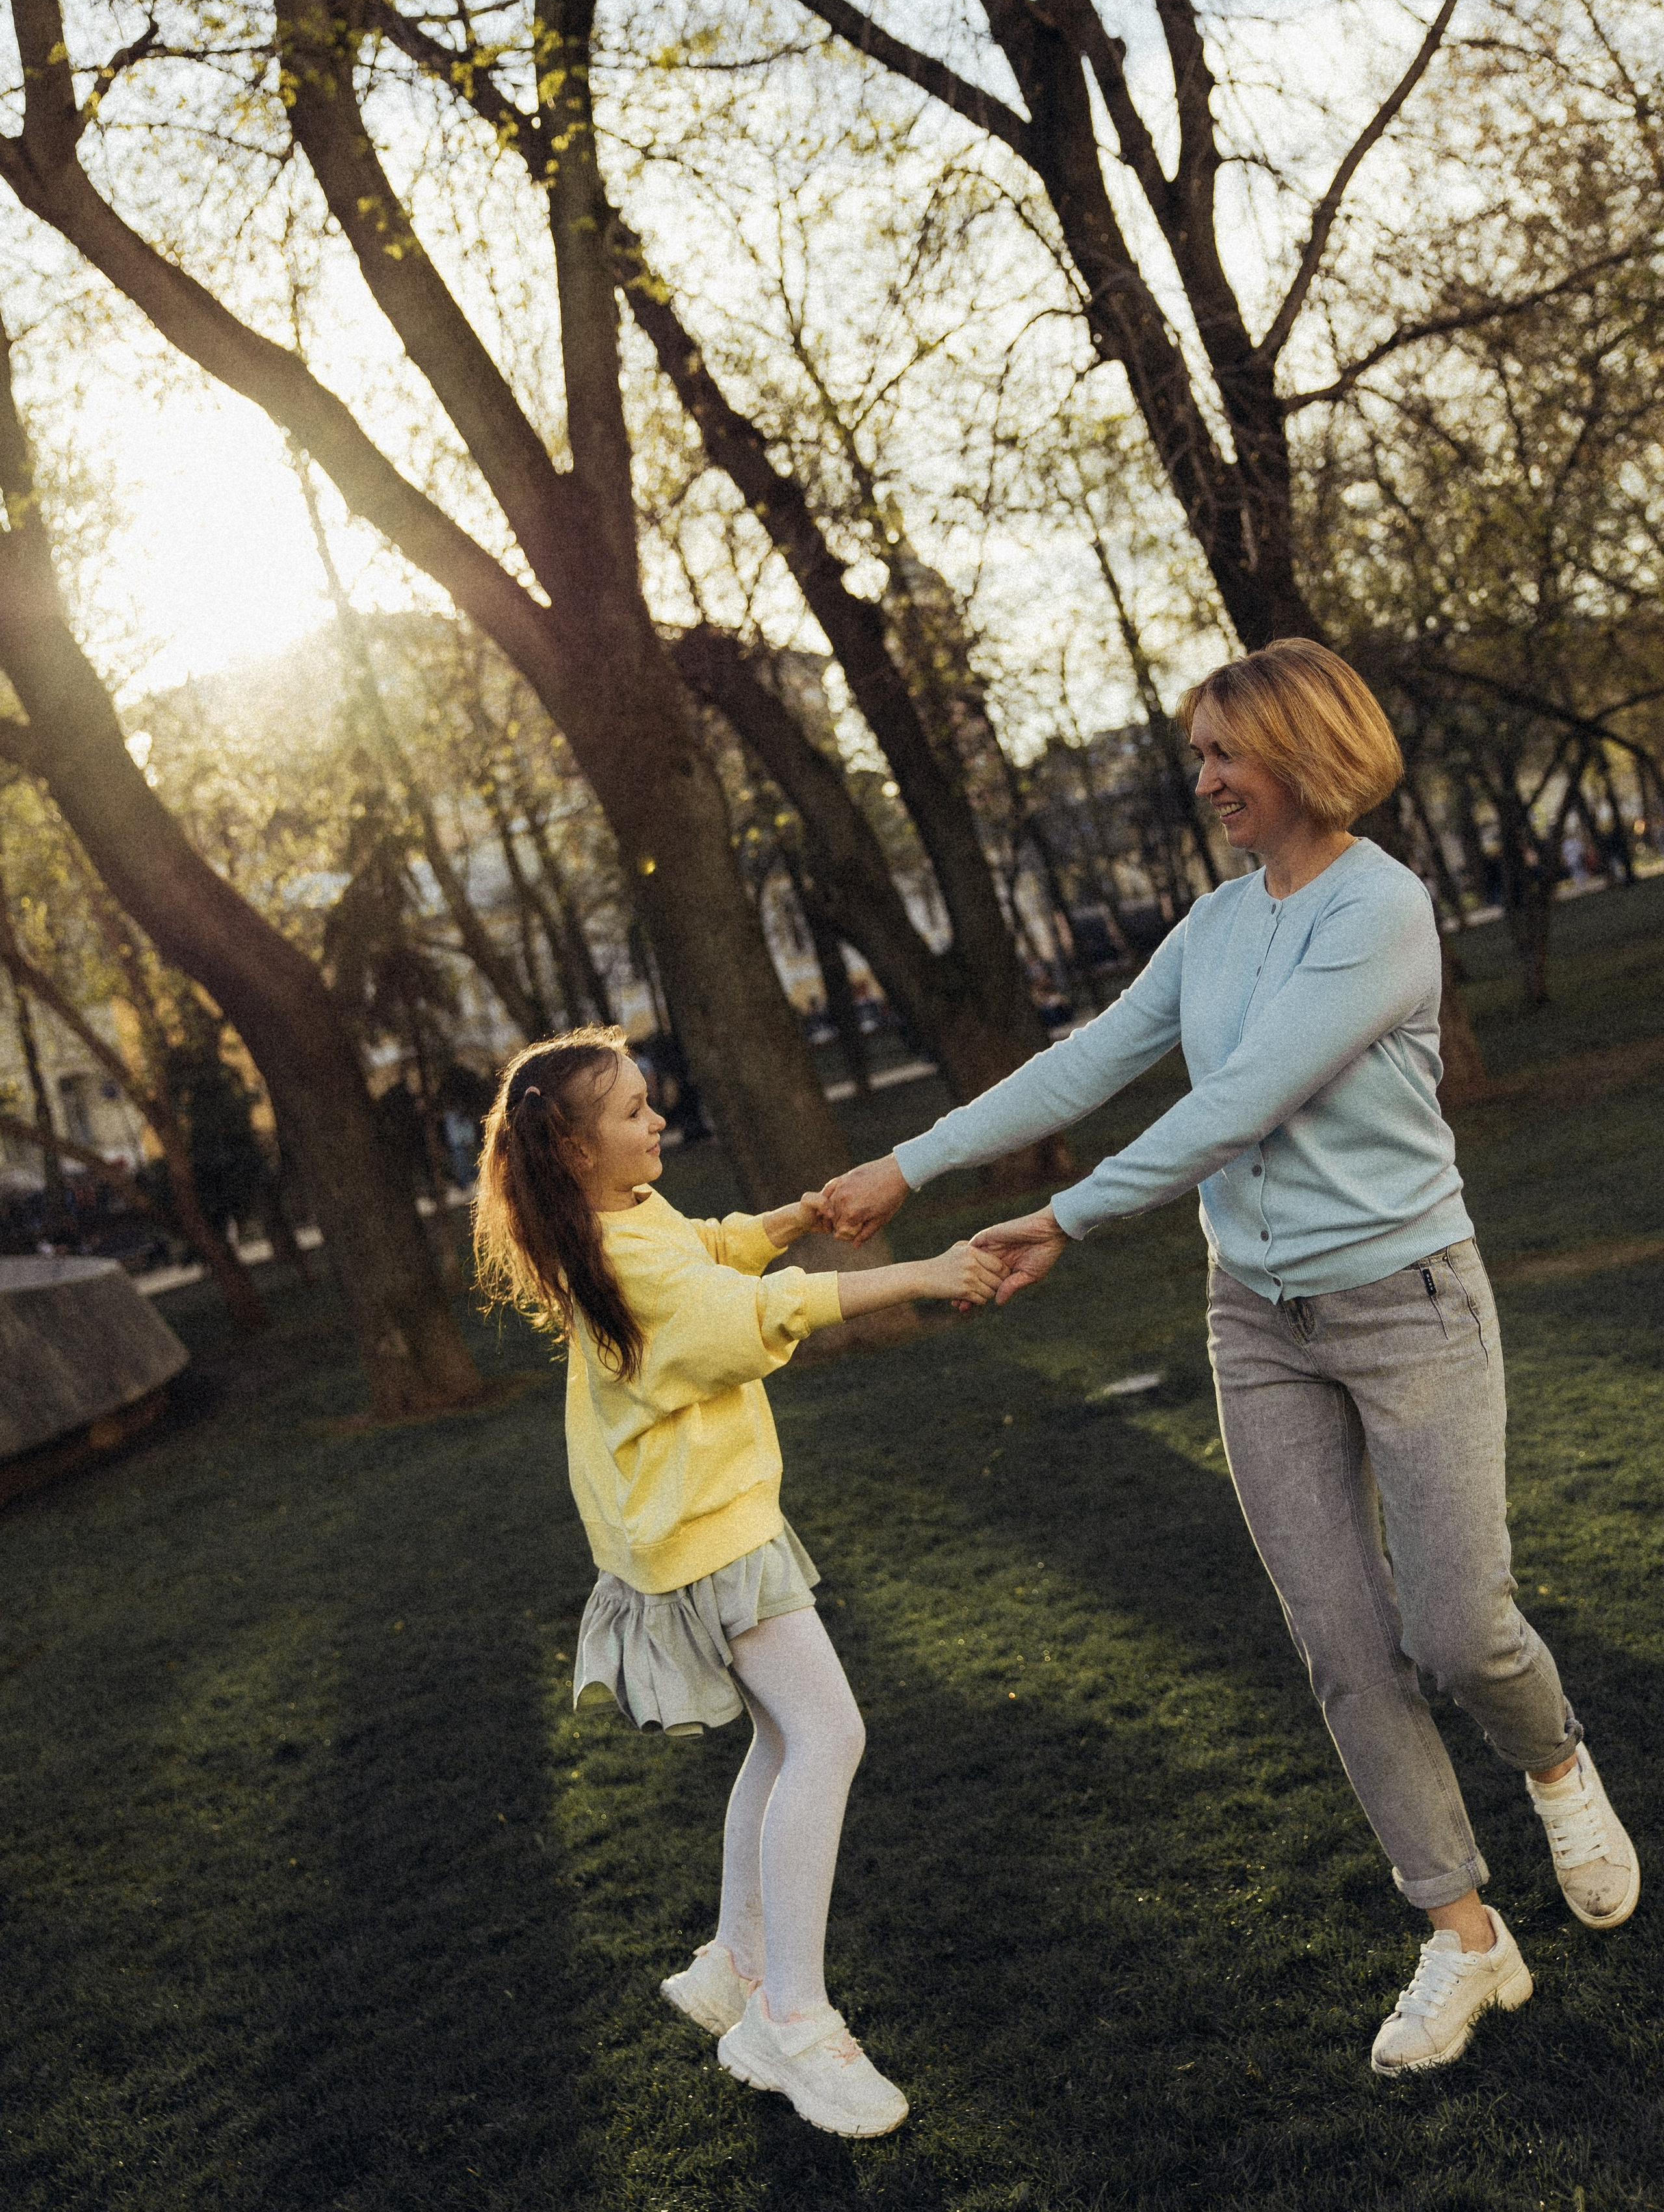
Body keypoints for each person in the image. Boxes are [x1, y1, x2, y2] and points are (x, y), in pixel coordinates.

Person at [824, 640, 1639, 2078]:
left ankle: (1555, 1763)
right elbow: (1087, 1061)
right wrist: (910, 1161)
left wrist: (1064, 1218)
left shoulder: (1380, 909)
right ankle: (1460, 1936)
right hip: (1255, 1324)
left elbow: (1248, 1099)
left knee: (1455, 1630)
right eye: (1193, 755)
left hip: (1406, 1304)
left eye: (1220, 754)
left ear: (1303, 749)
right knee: (1338, 1643)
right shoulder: (1212, 923)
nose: (1199, 780)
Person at [473, 1028, 998, 2137]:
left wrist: (797, 1219)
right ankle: (790, 2022)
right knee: (829, 1736)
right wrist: (918, 1272)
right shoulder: (624, 1262)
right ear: (575, 1149)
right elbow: (747, 1315)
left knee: (783, 1738)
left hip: (702, 1525)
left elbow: (712, 1250)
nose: (656, 1121)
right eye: (631, 1112)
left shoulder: (625, 1222)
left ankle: (736, 1967)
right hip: (708, 1538)